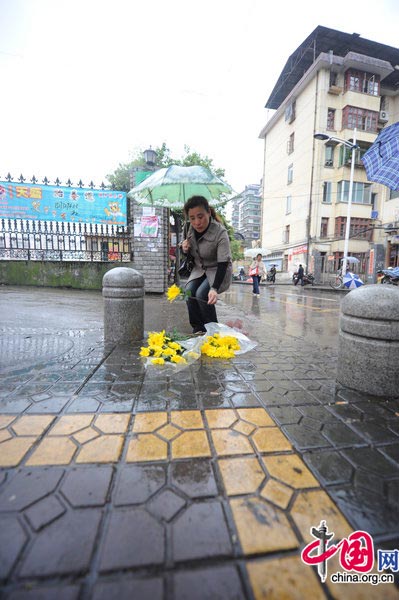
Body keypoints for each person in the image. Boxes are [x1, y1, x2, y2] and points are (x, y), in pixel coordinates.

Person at [181, 196, 232, 334]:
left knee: (202, 294)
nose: (197, 222)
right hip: (199, 269)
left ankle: (213, 330)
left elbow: (223, 263)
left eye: (200, 216)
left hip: (218, 269)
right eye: (192, 218)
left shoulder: (220, 233)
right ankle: (198, 328)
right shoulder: (188, 229)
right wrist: (184, 249)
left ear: (208, 212)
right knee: (188, 293)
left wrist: (214, 288)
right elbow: (189, 256)